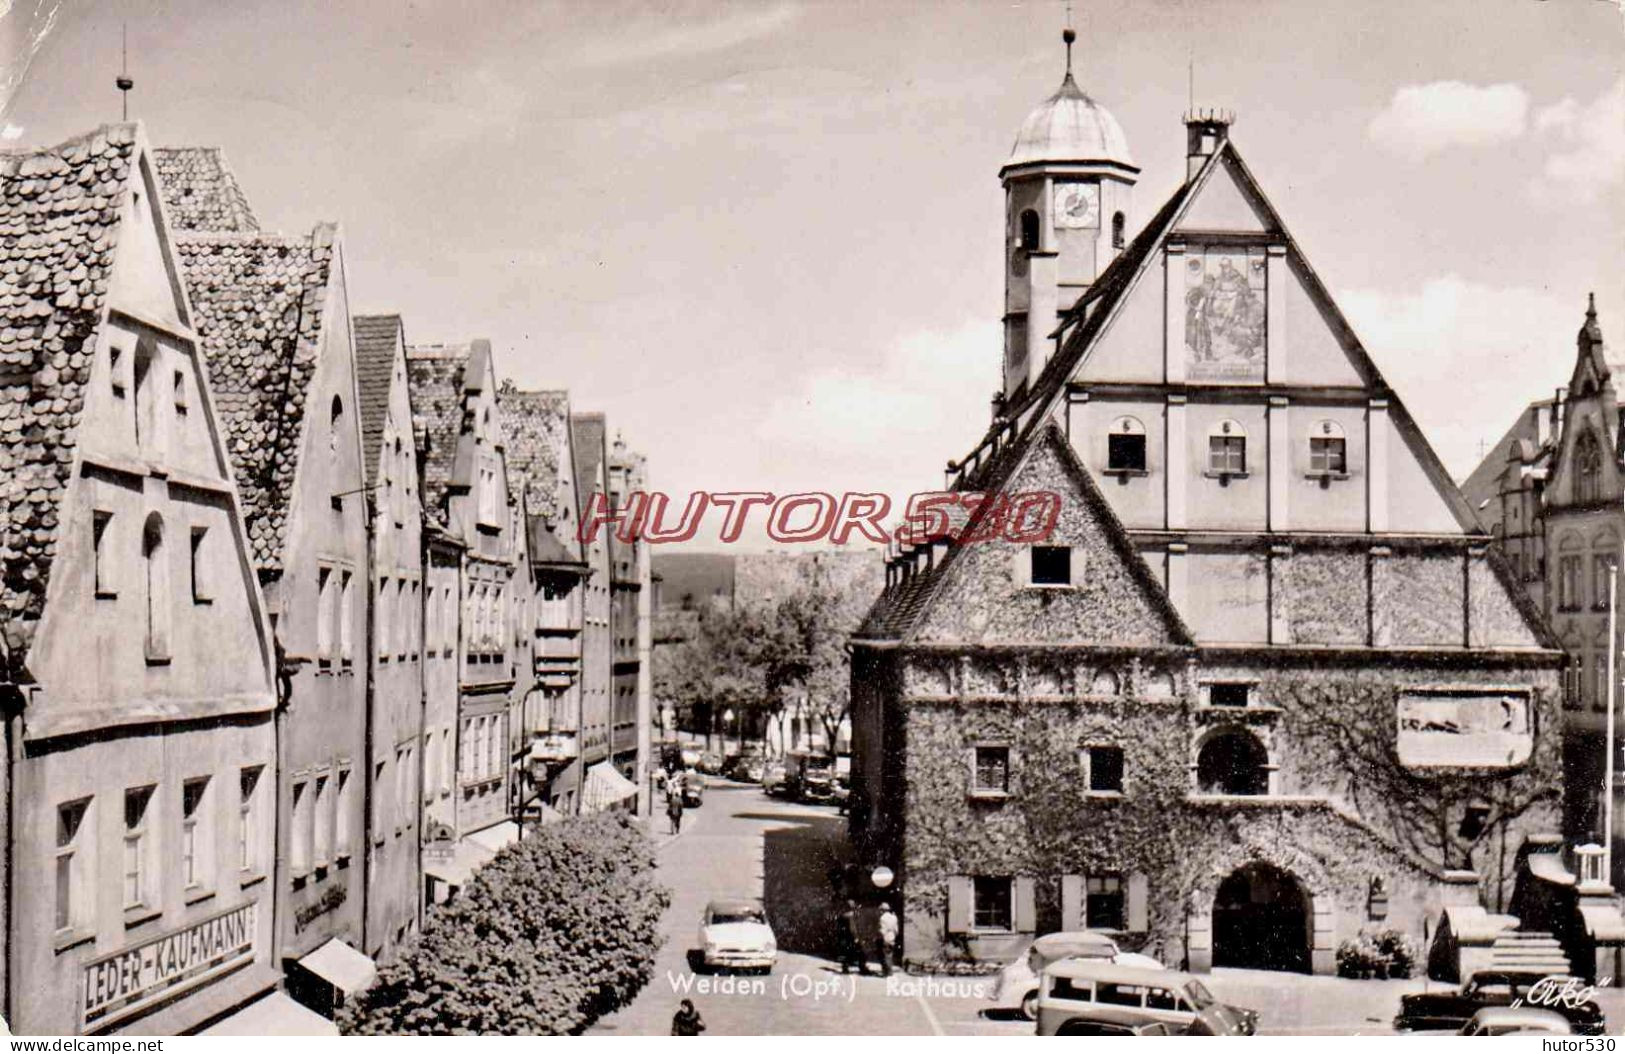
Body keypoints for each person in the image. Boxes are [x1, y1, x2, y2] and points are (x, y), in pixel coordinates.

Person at [837, 898, 871, 976]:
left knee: (846, 953)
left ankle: (845, 968)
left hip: (844, 937)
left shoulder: (843, 915)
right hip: (852, 937)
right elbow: (852, 928)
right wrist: (856, 937)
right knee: (861, 952)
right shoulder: (850, 916)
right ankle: (862, 967)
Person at [877, 902, 900, 977]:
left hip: (885, 938)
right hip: (892, 937)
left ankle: (886, 972)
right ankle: (890, 971)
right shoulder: (894, 917)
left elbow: (882, 930)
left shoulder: (882, 918)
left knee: (884, 955)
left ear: (882, 910)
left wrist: (879, 936)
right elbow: (896, 930)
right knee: (889, 955)